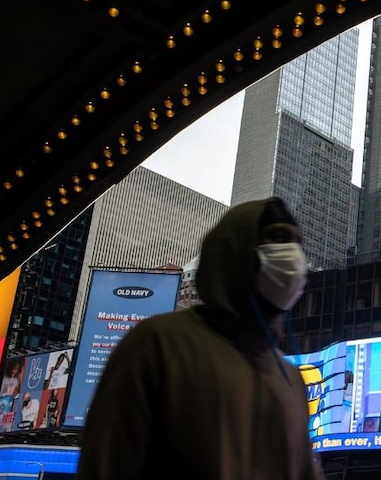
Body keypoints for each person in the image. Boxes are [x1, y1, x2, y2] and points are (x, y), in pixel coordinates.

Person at [77, 197, 324, 480]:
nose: (293, 256)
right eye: (278, 238)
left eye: (297, 244)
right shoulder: (158, 345)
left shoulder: (291, 381)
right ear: (237, 251)